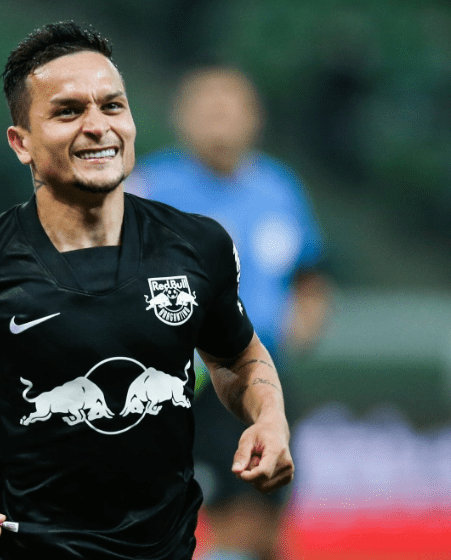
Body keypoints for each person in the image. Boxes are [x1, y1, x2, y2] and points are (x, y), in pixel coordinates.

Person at [0, 23, 294, 560]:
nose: (97, 126)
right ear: (21, 142)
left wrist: (269, 417)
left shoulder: (199, 245)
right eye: (68, 112)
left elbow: (239, 358)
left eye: (112, 106)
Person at [126, 68, 330, 560]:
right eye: (207, 107)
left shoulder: (279, 188)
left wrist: (308, 316)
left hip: (264, 378)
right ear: (182, 117)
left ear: (255, 117)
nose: (219, 117)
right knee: (211, 521)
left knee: (265, 528)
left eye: (230, 106)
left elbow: (309, 274)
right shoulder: (150, 187)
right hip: (188, 381)